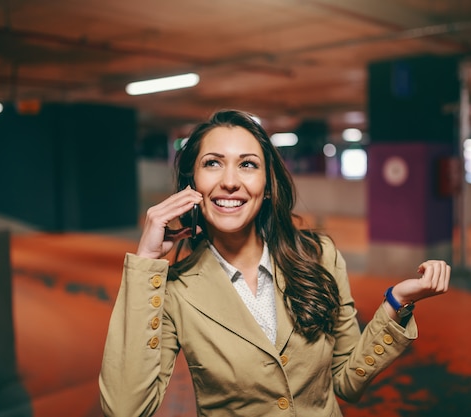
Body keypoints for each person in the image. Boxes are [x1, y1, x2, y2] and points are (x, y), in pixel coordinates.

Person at [99, 109, 451, 417]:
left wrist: (397, 304)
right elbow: (126, 409)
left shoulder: (319, 256)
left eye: (247, 165)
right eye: (212, 163)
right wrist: (146, 263)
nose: (231, 181)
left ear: (267, 186)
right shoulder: (175, 289)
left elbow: (346, 382)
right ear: (193, 184)